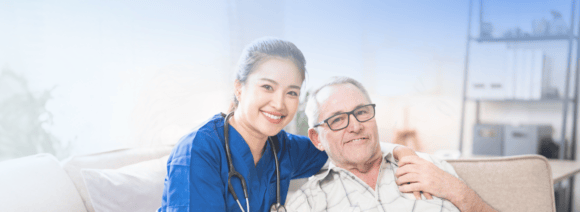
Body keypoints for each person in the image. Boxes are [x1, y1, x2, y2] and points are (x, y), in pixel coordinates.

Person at [157, 38, 418, 212]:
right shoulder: (198, 151)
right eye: (267, 87)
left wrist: (400, 152)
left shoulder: (283, 147)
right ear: (239, 87)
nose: (279, 104)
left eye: (292, 92)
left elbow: (346, 145)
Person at [286, 76, 496, 212]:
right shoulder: (307, 204)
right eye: (338, 119)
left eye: (361, 112)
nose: (356, 126)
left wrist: (457, 191)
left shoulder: (429, 168)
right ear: (316, 138)